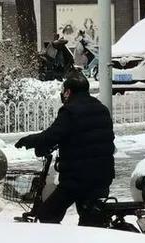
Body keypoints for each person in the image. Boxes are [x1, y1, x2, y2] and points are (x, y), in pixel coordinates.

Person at [15, 71, 115, 226]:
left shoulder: (70, 111)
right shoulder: (101, 108)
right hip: (103, 176)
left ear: (68, 92)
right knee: (90, 220)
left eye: (63, 92)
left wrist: (29, 141)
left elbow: (51, 135)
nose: (63, 95)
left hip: (77, 178)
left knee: (48, 214)